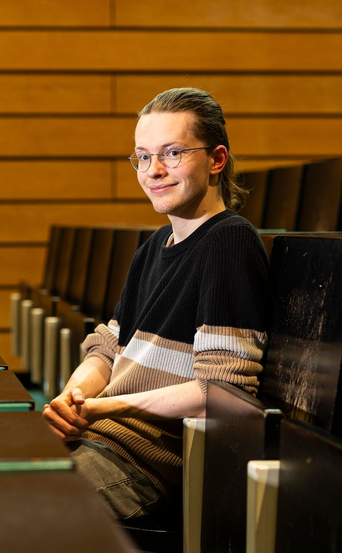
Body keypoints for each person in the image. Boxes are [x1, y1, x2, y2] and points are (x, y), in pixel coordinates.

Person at [42, 87, 269, 522]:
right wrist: (71, 400)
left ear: (217, 160)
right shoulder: (152, 248)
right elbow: (108, 348)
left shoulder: (228, 243)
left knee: (16, 517)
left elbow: (221, 391)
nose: (155, 170)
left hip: (144, 467)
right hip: (99, 438)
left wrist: (102, 407)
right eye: (143, 156)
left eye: (173, 153)